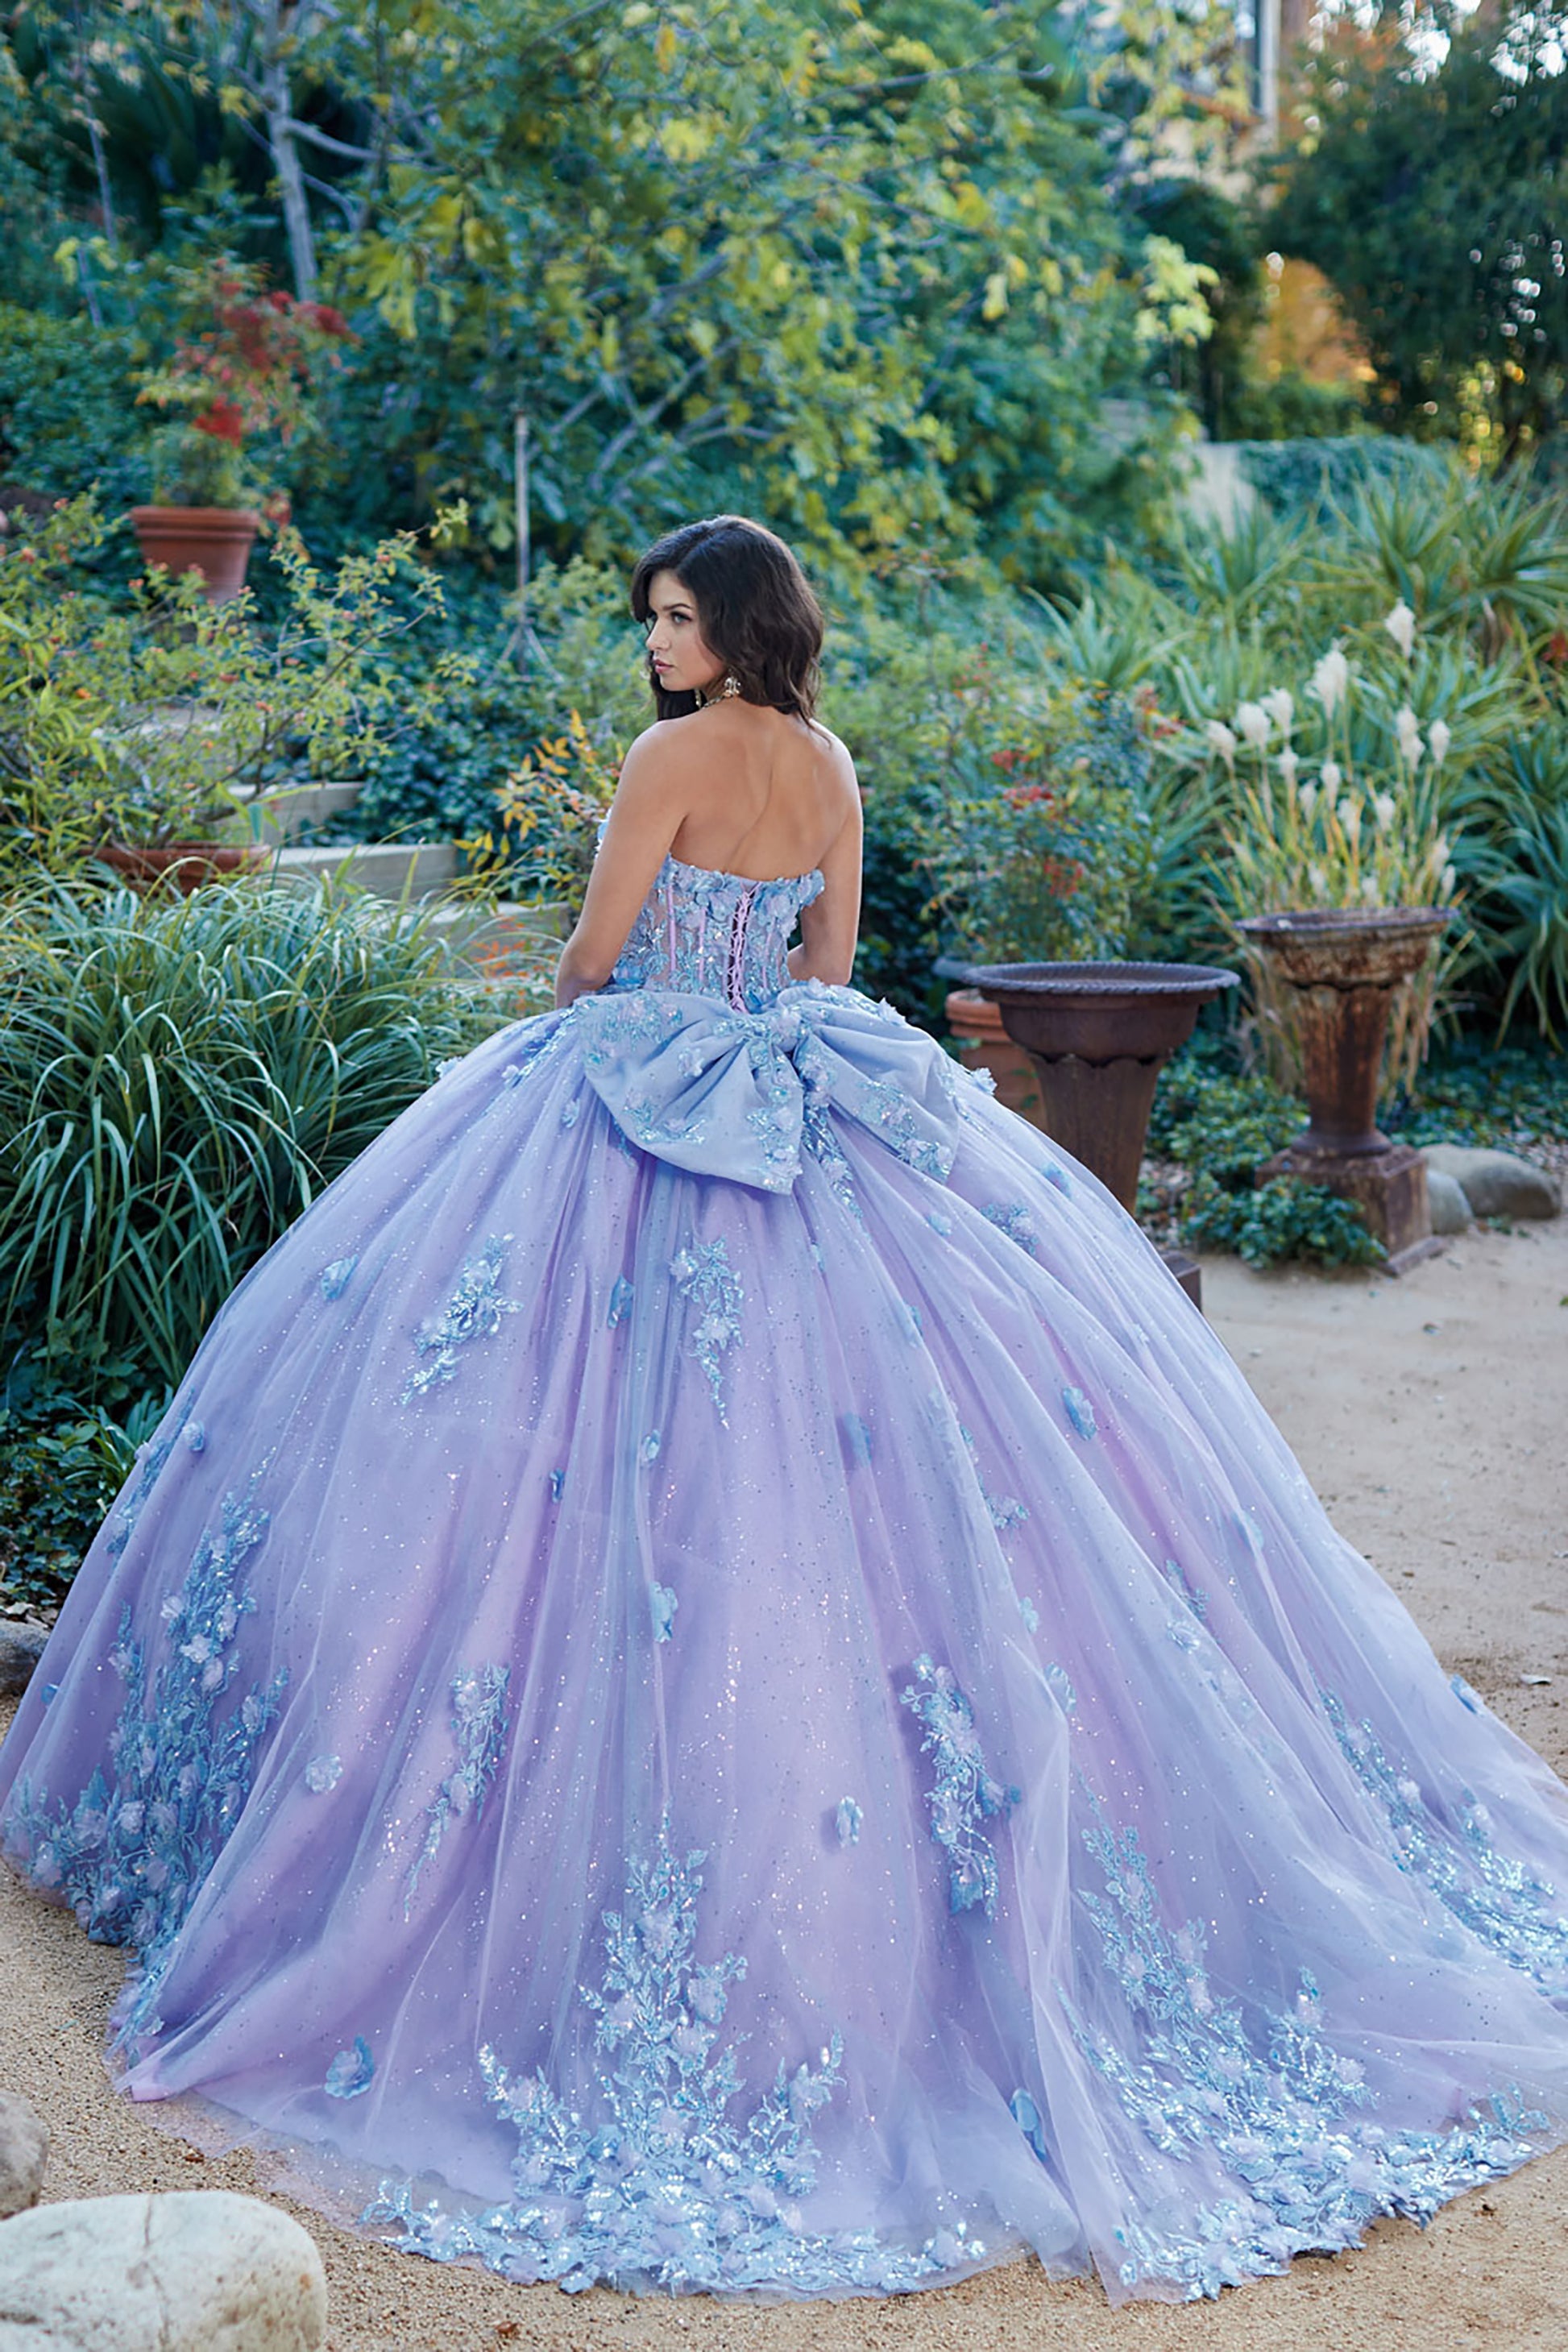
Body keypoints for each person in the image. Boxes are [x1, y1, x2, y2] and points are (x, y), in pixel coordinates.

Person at [5, 513, 1568, 2308]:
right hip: (805, 1099)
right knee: (900, 1482)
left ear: (733, 625)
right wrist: (740, 1010)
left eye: (675, 613)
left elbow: (594, 955)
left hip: (641, 1094)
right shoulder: (823, 759)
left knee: (553, 1465)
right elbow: (825, 974)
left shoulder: (670, 752)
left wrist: (612, 998)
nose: (655, 639)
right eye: (651, 617)